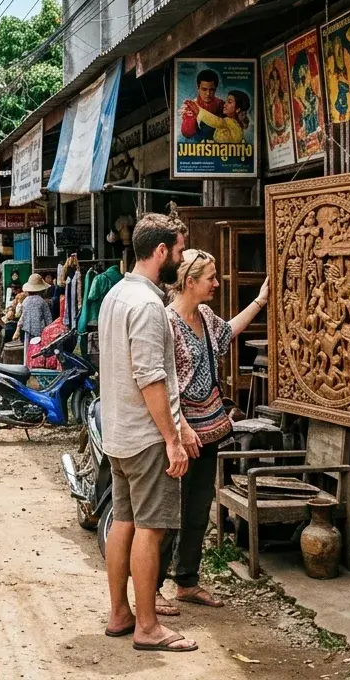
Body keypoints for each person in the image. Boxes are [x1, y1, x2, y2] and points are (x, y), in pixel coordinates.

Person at [99, 212, 197, 653]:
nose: (181, 258)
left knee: (124, 522)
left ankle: (120, 614)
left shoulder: (116, 295)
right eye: (178, 251)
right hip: (145, 436)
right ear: (161, 252)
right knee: (151, 529)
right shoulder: (147, 305)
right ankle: (147, 626)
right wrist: (173, 438)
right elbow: (150, 377)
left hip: (118, 433)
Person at [156, 250, 268, 614]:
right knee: (169, 511)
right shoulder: (167, 323)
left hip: (211, 429)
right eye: (211, 278)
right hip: (180, 432)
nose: (217, 284)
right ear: (190, 282)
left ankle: (186, 581)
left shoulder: (204, 316)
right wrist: (182, 429)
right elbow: (164, 383)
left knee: (198, 508)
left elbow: (226, 334)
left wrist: (260, 301)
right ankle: (153, 587)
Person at [179, 69, 225, 142]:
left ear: (216, 89)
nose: (208, 94)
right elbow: (187, 134)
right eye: (204, 89)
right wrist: (191, 118)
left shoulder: (221, 104)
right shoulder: (191, 106)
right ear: (198, 88)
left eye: (211, 90)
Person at [19, 273, 53, 345]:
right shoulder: (42, 302)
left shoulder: (25, 301)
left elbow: (22, 316)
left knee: (29, 350)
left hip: (27, 332)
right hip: (40, 333)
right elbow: (48, 319)